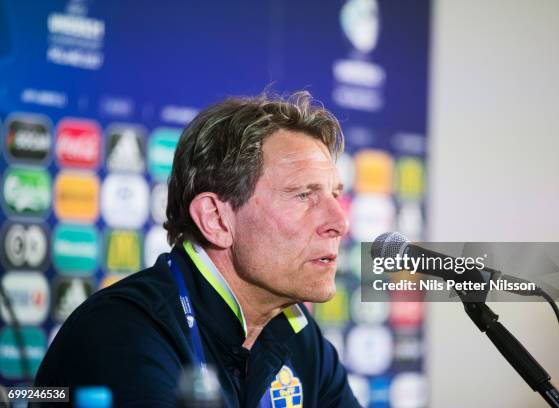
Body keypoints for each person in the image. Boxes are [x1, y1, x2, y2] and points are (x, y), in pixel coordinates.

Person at [35, 91, 361, 407]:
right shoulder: (120, 332)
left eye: (334, 195)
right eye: (303, 195)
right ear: (216, 219)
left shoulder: (300, 336)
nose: (340, 222)